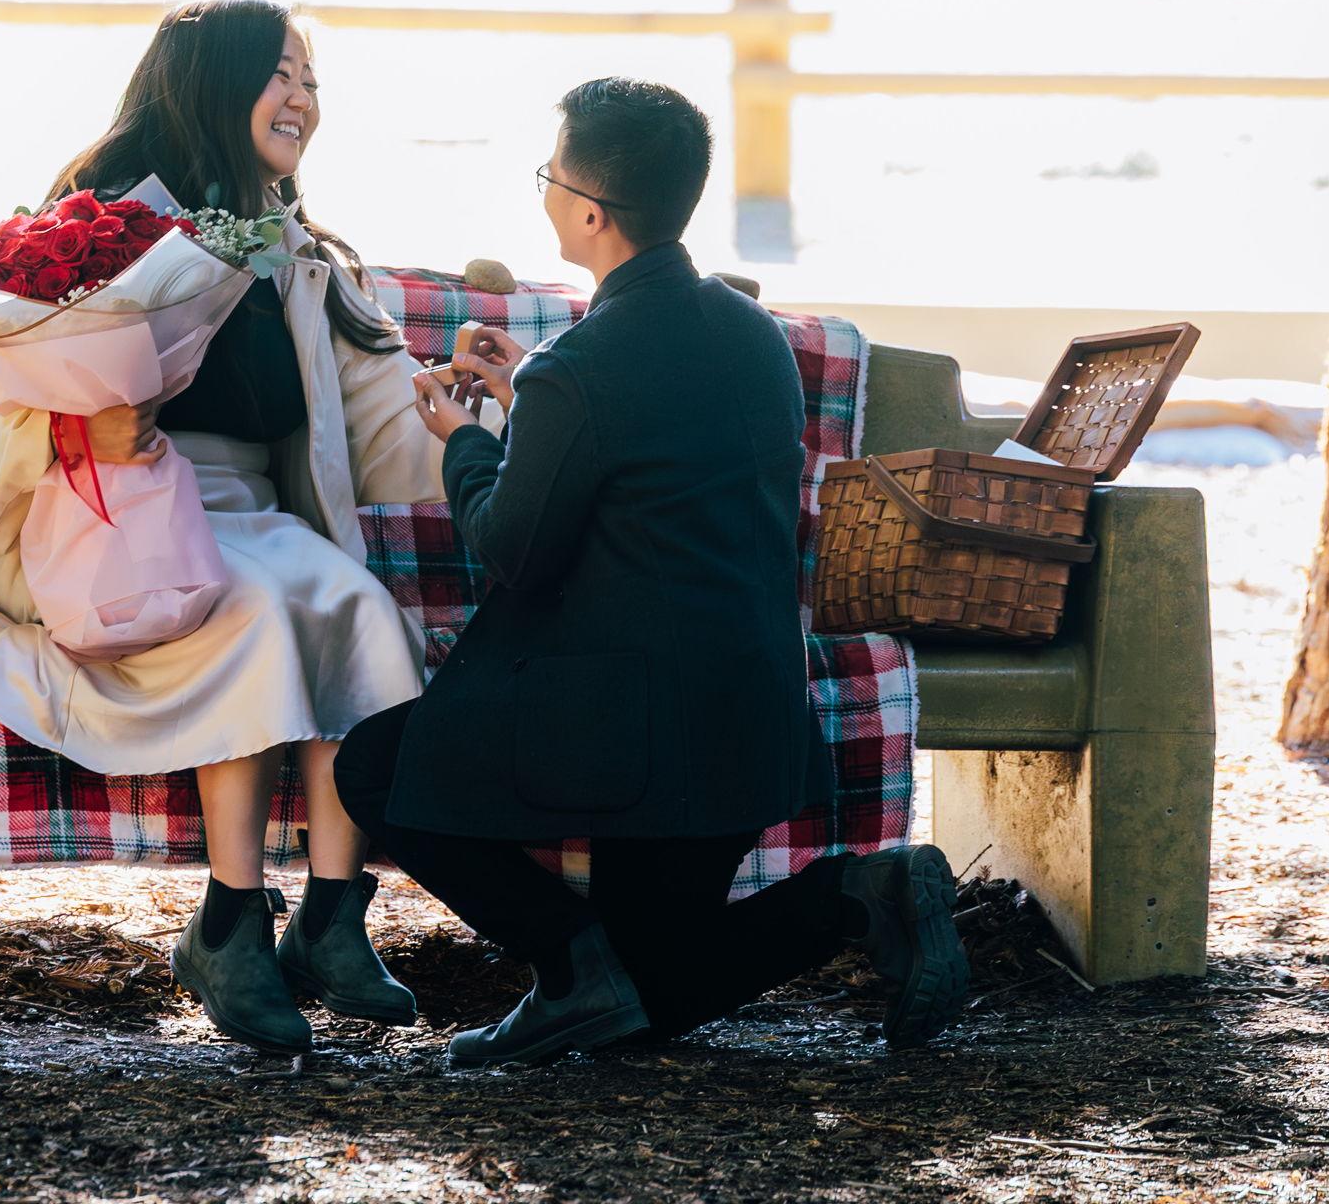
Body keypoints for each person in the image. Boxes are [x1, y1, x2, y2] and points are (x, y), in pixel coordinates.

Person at [335, 77, 971, 1066]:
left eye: (550, 176)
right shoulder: (750, 334)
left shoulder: (579, 368)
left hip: (626, 730)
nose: (546, 192)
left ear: (590, 211)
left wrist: (466, 437)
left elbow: (512, 548)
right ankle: (862, 895)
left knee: (372, 767)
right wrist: (530, 397)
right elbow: (649, 456)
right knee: (649, 994)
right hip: (747, 711)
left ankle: (571, 965)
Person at [0, 0, 445, 1054]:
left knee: (364, 613)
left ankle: (332, 920)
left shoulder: (293, 252)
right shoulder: (94, 222)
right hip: (104, 512)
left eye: (311, 81)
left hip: (251, 510)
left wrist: (472, 419)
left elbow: (376, 426)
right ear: (211, 79)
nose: (302, 99)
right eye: (280, 73)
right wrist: (82, 427)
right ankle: (229, 924)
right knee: (247, 614)